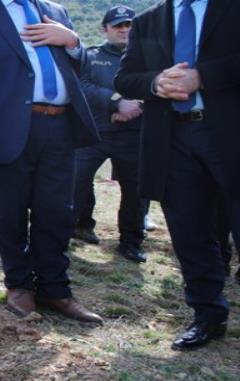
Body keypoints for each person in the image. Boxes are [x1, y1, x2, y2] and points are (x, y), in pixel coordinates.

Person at [0, 0, 103, 323]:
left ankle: (54, 289)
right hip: (7, 130)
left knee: (57, 212)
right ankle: (19, 286)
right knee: (11, 212)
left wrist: (72, 42)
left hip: (60, 125)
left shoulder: (57, 12)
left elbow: (82, 69)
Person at [115, 0, 240, 350]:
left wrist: (203, 75)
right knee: (189, 233)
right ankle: (208, 316)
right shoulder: (149, 20)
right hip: (172, 138)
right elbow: (124, 78)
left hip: (230, 135)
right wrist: (155, 82)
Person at [72, 5, 146, 264]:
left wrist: (134, 107)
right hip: (95, 131)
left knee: (136, 192)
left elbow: (158, 85)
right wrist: (116, 103)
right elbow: (82, 85)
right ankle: (74, 228)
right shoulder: (90, 56)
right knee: (76, 181)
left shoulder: (150, 56)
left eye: (129, 25)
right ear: (105, 29)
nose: (124, 30)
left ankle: (131, 242)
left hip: (134, 133)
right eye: (118, 26)